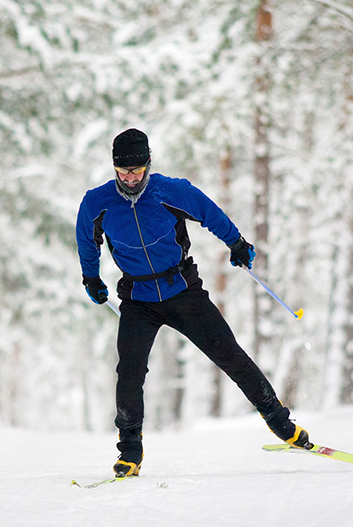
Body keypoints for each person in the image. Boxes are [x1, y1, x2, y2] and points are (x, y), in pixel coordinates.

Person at [76, 128, 310, 477]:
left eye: (137, 171)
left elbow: (210, 214)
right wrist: (91, 279)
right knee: (129, 372)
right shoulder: (98, 203)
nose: (131, 178)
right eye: (124, 172)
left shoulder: (171, 191)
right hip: (138, 299)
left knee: (230, 356)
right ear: (114, 169)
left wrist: (237, 243)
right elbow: (86, 240)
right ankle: (130, 452)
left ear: (148, 165)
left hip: (182, 290)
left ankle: (282, 424)